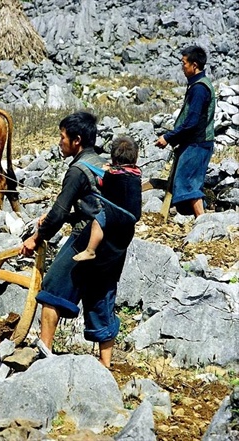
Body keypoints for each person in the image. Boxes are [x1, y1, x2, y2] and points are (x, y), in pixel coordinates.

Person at [21, 111, 140, 368]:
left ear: (76, 140)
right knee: (101, 296)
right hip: (112, 246)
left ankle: (45, 350)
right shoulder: (104, 165)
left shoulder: (77, 171)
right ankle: (105, 364)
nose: (59, 142)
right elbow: (95, 207)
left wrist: (35, 238)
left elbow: (59, 213)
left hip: (85, 239)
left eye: (62, 137)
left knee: (53, 289)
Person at [155, 45, 216, 217]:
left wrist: (168, 137)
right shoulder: (198, 85)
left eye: (184, 63)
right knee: (187, 181)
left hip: (197, 144)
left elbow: (191, 122)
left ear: (194, 65)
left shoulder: (199, 89)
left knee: (188, 183)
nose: (182, 67)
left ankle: (203, 223)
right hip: (195, 143)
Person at [73, 136, 142, 262]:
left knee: (97, 223)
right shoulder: (136, 173)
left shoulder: (114, 175)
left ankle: (90, 250)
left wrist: (106, 171)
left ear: (113, 157)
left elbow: (102, 182)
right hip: (133, 214)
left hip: (118, 212)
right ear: (135, 157)